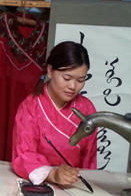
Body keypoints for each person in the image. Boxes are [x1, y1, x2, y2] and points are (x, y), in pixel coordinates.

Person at [11, 41, 97, 186]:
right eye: (67, 78)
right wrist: (52, 174)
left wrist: (83, 181)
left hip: (75, 184)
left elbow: (89, 159)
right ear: (50, 71)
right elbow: (24, 155)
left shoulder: (87, 109)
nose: (73, 86)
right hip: (38, 184)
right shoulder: (31, 107)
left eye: (81, 80)